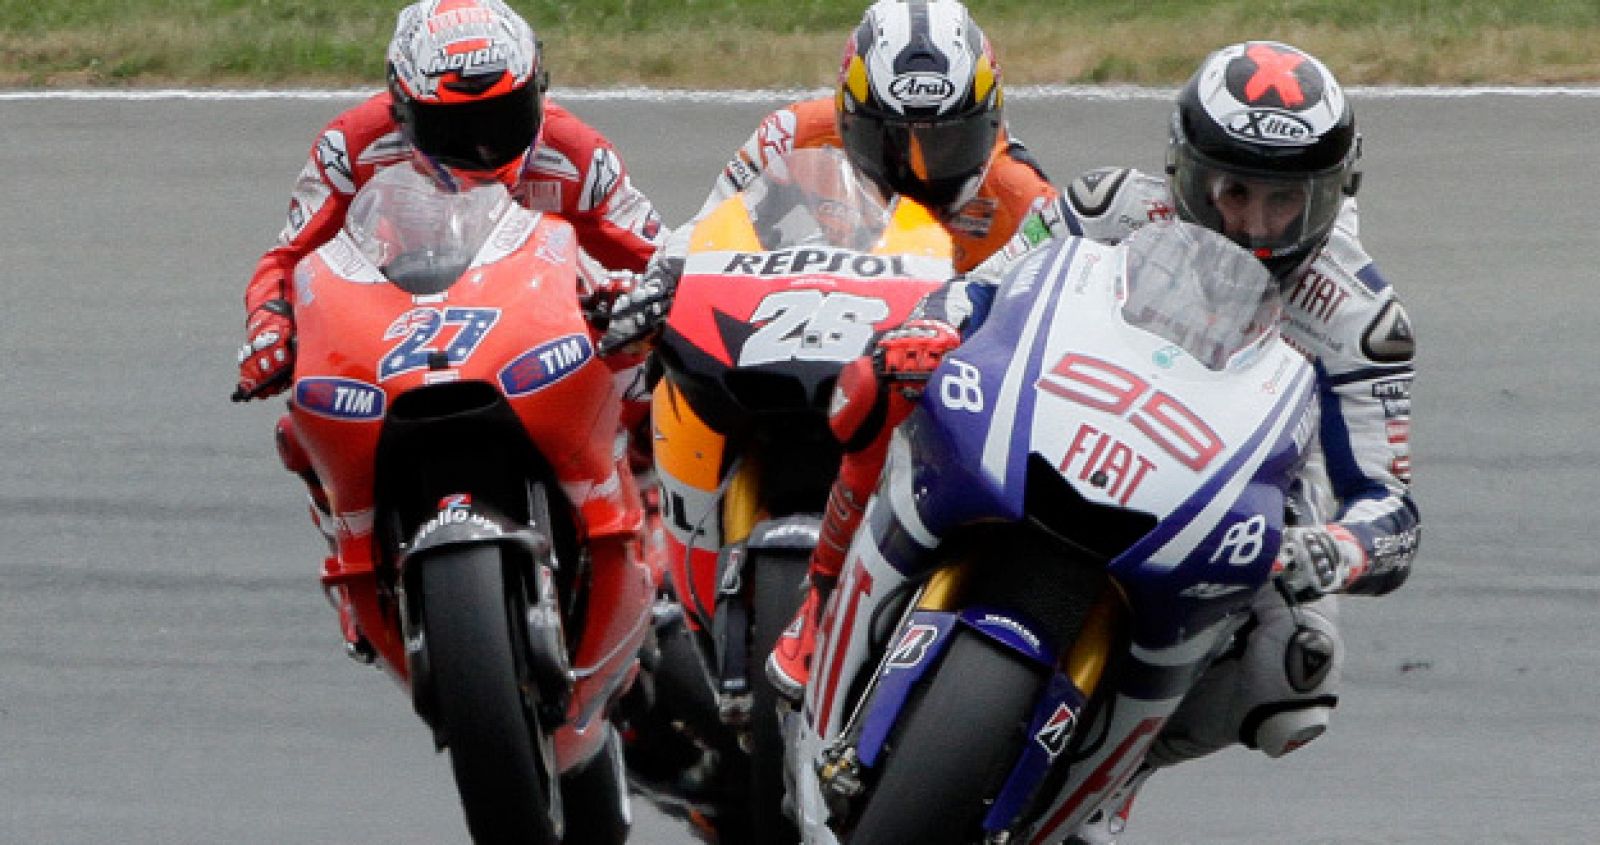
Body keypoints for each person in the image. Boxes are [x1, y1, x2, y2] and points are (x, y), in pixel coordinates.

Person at [779, 40, 1420, 842]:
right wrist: (930, 329)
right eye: (1232, 189)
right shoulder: (1104, 203)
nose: (1251, 222)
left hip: (1245, 502)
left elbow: (1392, 513)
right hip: (1069, 423)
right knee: (898, 391)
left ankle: (1117, 775)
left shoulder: (1363, 320)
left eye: (1282, 200)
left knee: (1295, 670)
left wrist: (1332, 549)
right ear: (1185, 170)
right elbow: (981, 287)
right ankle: (827, 613)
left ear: (1328, 195)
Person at [596, 0, 1059, 702]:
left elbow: (1056, 307)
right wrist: (664, 278)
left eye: (947, 141)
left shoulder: (1020, 194)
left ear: (992, 122)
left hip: (925, 393)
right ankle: (644, 548)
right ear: (848, 117)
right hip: (794, 337)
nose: (919, 166)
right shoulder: (791, 134)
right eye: (892, 139)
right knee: (641, 367)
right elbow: (705, 229)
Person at [232, 0, 668, 655]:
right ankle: (356, 563)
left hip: (544, 332)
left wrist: (652, 300)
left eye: (505, 117)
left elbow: (658, 254)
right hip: (403, 326)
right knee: (302, 425)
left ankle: (658, 527)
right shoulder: (351, 147)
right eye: (458, 127)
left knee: (654, 377)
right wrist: (270, 325)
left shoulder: (575, 151)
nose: (487, 147)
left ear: (538, 91)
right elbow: (288, 259)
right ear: (402, 110)